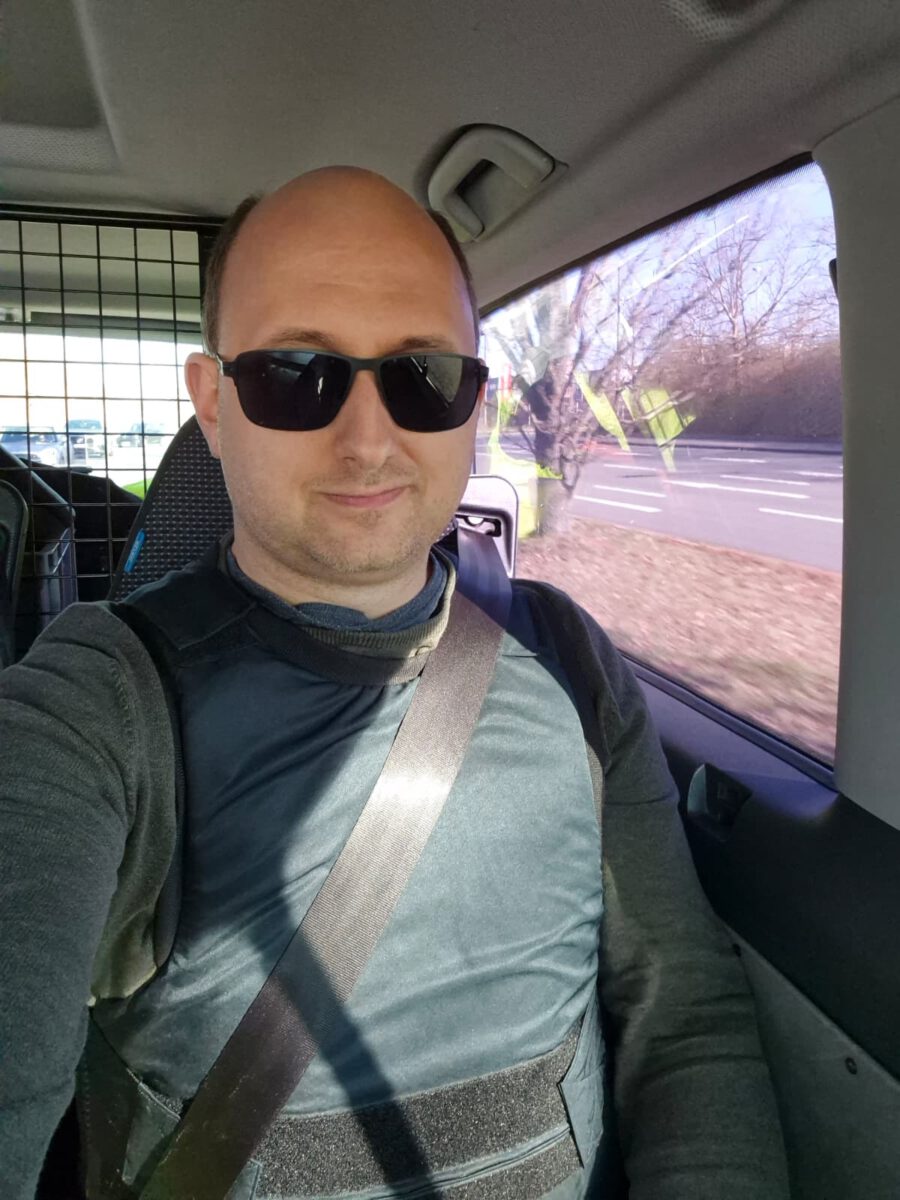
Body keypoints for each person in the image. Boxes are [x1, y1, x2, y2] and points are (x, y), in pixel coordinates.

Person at [0, 168, 790, 1200]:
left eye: (423, 375)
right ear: (214, 403)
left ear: (476, 403)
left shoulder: (568, 657)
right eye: (296, 373)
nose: (369, 440)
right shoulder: (98, 700)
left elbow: (683, 1020)